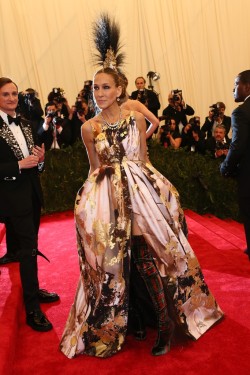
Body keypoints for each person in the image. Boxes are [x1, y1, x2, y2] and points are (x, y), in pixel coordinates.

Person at [60, 14, 223, 359]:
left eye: (106, 87)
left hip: (141, 195)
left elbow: (144, 158)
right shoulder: (88, 128)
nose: (100, 93)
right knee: (120, 264)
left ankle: (165, 326)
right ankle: (132, 321)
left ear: (119, 90)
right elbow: (93, 169)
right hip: (108, 199)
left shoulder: (135, 116)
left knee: (151, 258)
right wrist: (88, 204)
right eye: (95, 88)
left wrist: (159, 193)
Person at [0, 77, 59, 331]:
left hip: (33, 193)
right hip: (12, 197)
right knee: (27, 249)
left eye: (14, 94)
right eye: (5, 94)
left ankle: (33, 290)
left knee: (30, 247)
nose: (12, 98)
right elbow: (17, 165)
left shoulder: (24, 122)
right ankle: (32, 308)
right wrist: (17, 166)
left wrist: (40, 159)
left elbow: (35, 163)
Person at [220, 70, 250, 259]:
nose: (234, 88)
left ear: (247, 87)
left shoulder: (241, 112)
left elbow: (237, 146)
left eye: (236, 83)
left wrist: (225, 167)